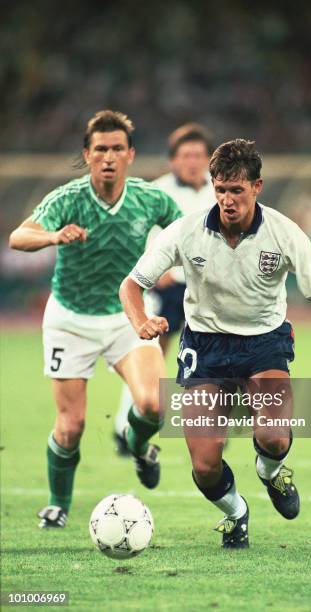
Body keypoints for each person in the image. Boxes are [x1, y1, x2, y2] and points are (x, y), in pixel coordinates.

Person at [119, 139, 311, 549]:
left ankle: (270, 473)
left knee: (273, 437)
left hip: (264, 343)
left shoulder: (285, 233)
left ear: (257, 186)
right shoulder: (186, 231)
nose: (227, 200)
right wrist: (140, 319)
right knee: (205, 465)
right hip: (205, 350)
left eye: (236, 190)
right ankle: (236, 513)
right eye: (220, 189)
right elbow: (131, 284)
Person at [9, 110, 182, 528]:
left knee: (154, 404)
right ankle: (57, 504)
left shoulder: (150, 199)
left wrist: (175, 268)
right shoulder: (67, 199)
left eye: (117, 149)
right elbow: (19, 236)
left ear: (131, 155)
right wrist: (53, 236)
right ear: (87, 155)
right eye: (101, 149)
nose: (109, 156)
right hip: (71, 321)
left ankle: (140, 447)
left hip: (128, 316)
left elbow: (186, 233)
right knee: (71, 426)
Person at [114, 123, 215, 452]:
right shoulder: (156, 192)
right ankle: (123, 427)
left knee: (213, 359)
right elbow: (135, 235)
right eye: (185, 155)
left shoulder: (222, 190)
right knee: (152, 355)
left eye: (199, 155)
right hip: (168, 287)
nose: (193, 161)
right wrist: (154, 271)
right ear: (173, 160)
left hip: (211, 290)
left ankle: (209, 427)